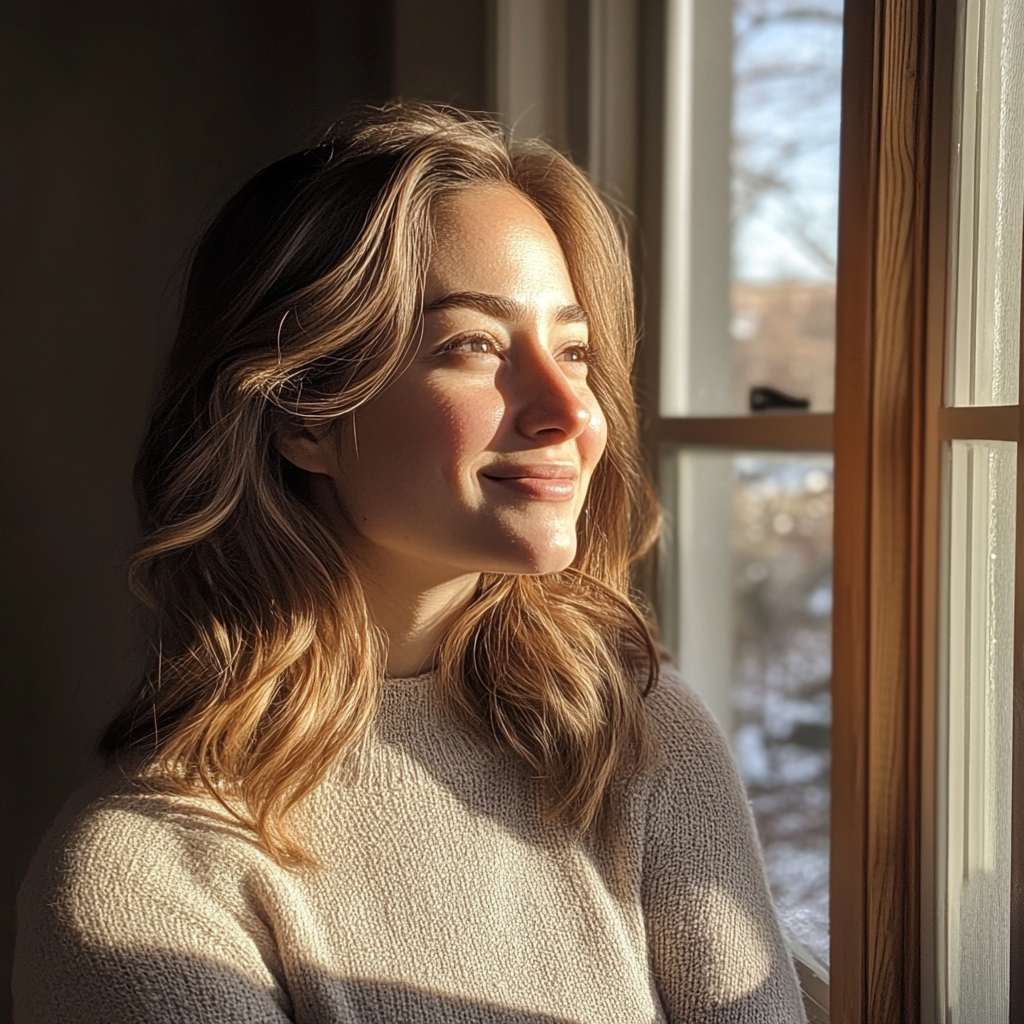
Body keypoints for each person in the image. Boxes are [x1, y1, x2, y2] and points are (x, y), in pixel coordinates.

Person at [14, 103, 806, 1024]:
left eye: (575, 349)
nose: (569, 412)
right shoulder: (142, 881)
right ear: (304, 412)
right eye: (474, 344)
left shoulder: (632, 732)